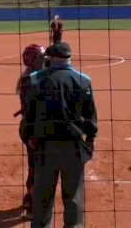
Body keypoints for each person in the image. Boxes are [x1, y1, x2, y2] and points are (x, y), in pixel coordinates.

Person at [24, 42, 97, 228]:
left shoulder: (35, 79)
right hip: (73, 148)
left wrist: (31, 138)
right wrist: (90, 139)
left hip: (45, 148)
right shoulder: (83, 80)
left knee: (42, 200)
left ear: (52, 58)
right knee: (73, 199)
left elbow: (29, 116)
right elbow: (90, 115)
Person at [15, 44, 47, 220]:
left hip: (30, 128)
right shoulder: (31, 80)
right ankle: (32, 203)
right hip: (34, 129)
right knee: (40, 167)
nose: (44, 59)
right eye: (41, 57)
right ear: (34, 60)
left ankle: (30, 199)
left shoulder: (30, 77)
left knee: (34, 165)